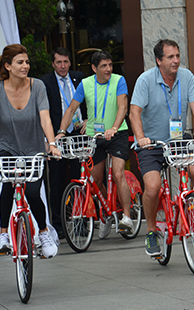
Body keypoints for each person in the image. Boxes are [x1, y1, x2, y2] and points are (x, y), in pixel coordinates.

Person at [0, 44, 61, 258]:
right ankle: (3, 235)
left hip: (33, 150)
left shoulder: (37, 86)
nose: (25, 66)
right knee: (8, 187)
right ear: (8, 66)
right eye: (20, 62)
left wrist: (52, 144)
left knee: (31, 192)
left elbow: (45, 118)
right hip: (6, 149)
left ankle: (44, 232)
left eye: (27, 62)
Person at [129, 39, 194, 257]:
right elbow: (134, 113)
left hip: (178, 140)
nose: (176, 60)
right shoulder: (145, 80)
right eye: (170, 57)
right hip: (152, 143)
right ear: (159, 61)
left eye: (177, 56)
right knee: (152, 186)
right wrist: (141, 138)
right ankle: (150, 231)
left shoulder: (187, 77)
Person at [56, 50, 133, 239]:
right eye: (103, 66)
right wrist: (60, 132)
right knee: (96, 180)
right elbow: (71, 109)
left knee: (117, 173)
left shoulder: (118, 80)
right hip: (94, 136)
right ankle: (107, 213)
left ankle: (127, 217)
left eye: (110, 65)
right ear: (93, 68)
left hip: (117, 133)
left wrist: (114, 127)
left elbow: (123, 107)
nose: (108, 69)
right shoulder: (85, 84)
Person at [40, 47, 86, 239]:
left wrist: (87, 121)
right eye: (59, 62)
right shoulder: (44, 82)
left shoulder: (79, 78)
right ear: (53, 64)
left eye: (66, 62)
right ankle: (58, 225)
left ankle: (81, 222)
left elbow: (88, 102)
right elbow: (43, 112)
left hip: (77, 134)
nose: (63, 66)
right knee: (57, 181)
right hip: (56, 137)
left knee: (79, 180)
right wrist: (47, 139)